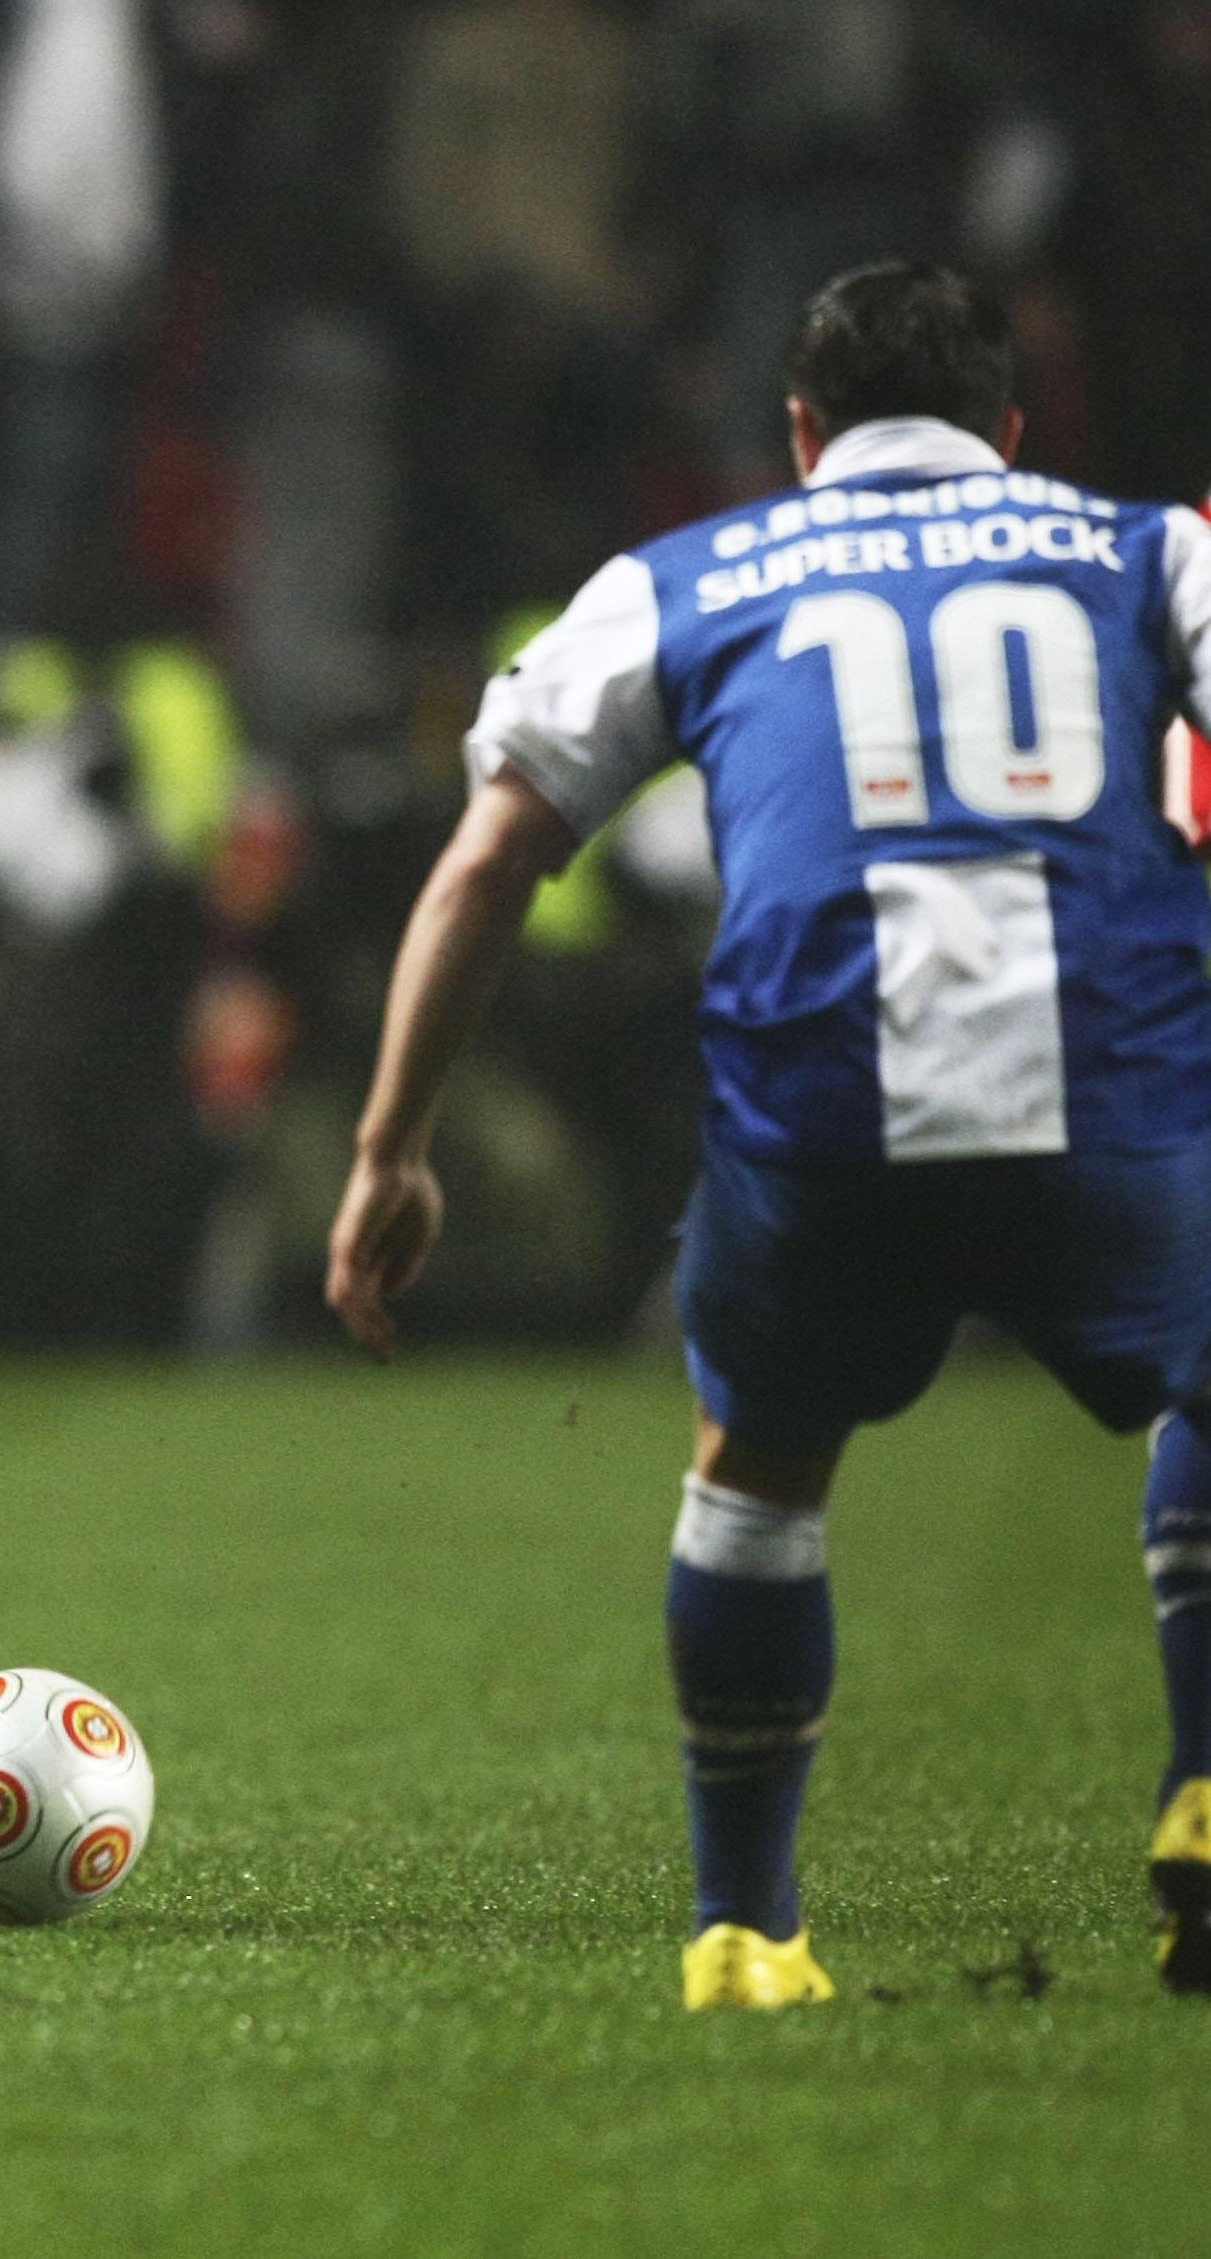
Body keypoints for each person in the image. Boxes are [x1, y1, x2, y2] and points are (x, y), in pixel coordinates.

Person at [323, 263, 1211, 2009]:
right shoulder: (1144, 549)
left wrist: (387, 1151)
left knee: (757, 1470)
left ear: (797, 432)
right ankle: (1200, 1774)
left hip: (824, 1116)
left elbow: (488, 861)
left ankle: (744, 1931)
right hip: (1105, 1083)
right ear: (1011, 429)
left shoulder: (687, 575)